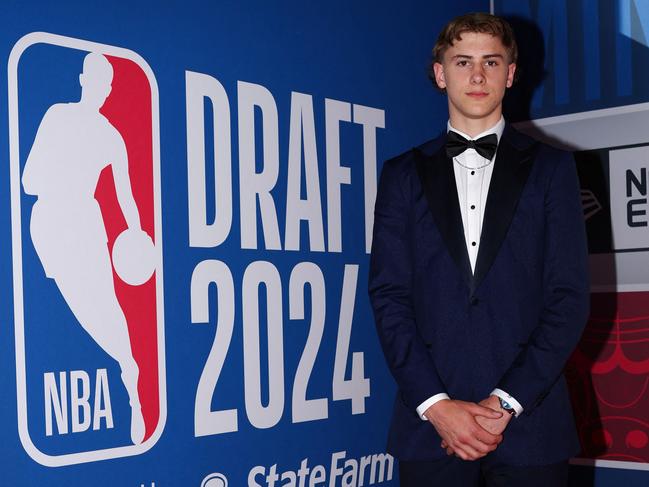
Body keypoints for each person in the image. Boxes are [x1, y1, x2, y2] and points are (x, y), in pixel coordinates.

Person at [368, 12, 589, 486]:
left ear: (510, 74)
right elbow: (389, 297)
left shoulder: (553, 170)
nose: (476, 75)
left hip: (532, 426)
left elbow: (568, 299)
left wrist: (504, 402)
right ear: (439, 72)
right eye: (462, 61)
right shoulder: (400, 175)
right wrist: (437, 406)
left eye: (491, 62)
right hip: (429, 428)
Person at [22, 52, 146, 445]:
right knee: (69, 311)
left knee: (106, 307)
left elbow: (126, 197)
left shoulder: (112, 136)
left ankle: (132, 383)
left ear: (107, 88)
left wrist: (139, 236)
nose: (100, 89)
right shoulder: (57, 116)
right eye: (96, 80)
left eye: (104, 83)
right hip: (48, 226)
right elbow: (27, 180)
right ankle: (126, 370)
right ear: (84, 80)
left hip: (84, 225)